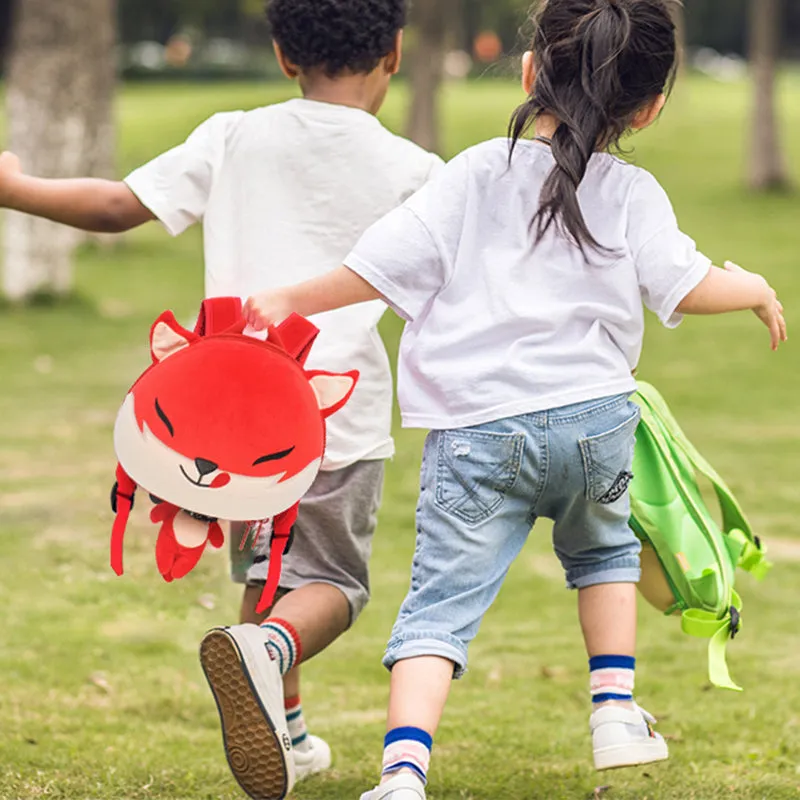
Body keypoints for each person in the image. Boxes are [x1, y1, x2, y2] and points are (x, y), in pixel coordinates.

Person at [241, 0, 788, 797]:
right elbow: (688, 282)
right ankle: (614, 711)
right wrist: (754, 287)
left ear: (531, 71)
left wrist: (291, 298)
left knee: (439, 604)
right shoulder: (632, 192)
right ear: (650, 107)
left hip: (476, 436)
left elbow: (382, 266)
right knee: (605, 556)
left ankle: (401, 773)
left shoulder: (470, 174)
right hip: (596, 426)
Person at [0, 1, 442, 798]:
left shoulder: (234, 135)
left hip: (230, 428)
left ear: (281, 53)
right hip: (332, 420)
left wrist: (16, 188)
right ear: (396, 52)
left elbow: (117, 207)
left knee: (267, 572)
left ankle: (292, 734)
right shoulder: (414, 171)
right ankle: (270, 655)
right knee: (330, 587)